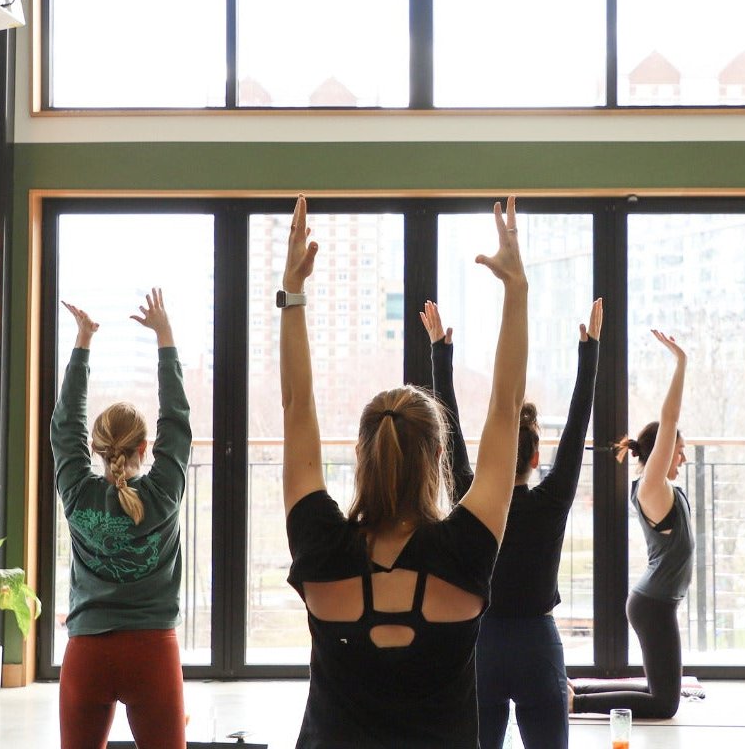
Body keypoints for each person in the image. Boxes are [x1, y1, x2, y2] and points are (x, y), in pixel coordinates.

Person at [282, 195, 528, 748]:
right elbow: (506, 409)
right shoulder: (466, 549)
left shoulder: (321, 545)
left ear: (362, 455)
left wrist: (292, 293)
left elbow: (296, 406)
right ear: (436, 458)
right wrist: (517, 291)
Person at [420, 296, 603, 748]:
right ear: (536, 456)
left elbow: (450, 428)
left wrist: (440, 355)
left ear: (492, 453)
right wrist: (589, 352)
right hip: (538, 646)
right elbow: (578, 430)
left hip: (482, 642)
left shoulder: (469, 496)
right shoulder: (553, 499)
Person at [52, 288, 191, 749]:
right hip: (152, 652)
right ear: (144, 449)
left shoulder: (76, 490)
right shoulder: (164, 490)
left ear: (94, 448)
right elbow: (177, 417)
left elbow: (63, 424)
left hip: (87, 653)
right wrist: (165, 337)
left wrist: (83, 342)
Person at [570, 330, 689, 721]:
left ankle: (572, 689)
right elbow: (669, 420)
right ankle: (576, 703)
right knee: (665, 704)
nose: (683, 458)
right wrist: (681, 363)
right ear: (664, 450)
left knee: (659, 690)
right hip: (653, 606)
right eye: (679, 450)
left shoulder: (664, 488)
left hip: (656, 603)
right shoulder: (653, 487)